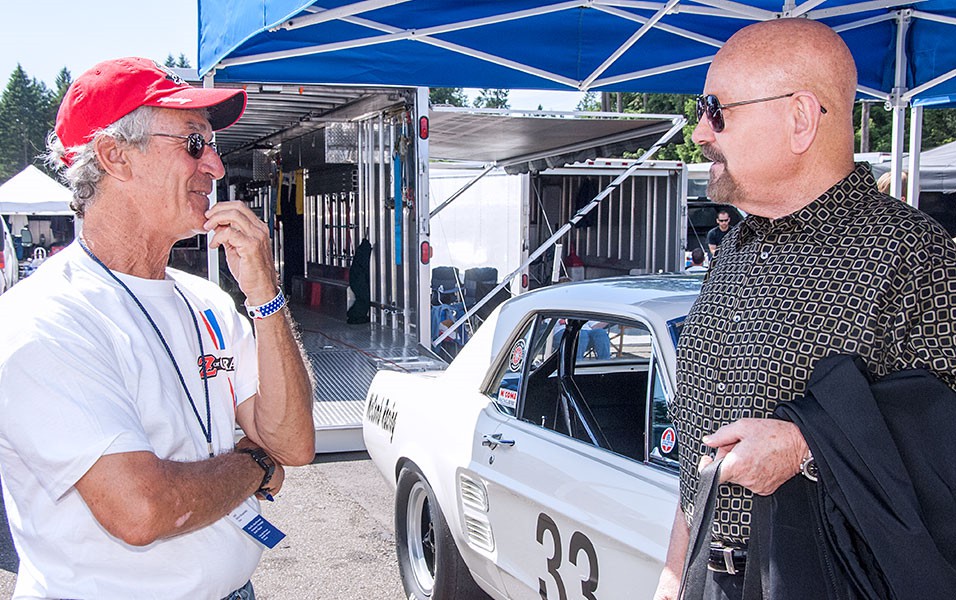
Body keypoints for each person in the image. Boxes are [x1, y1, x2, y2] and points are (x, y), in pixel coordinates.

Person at [653, 19, 956, 600]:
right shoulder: (735, 250)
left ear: (799, 118)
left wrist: (808, 447)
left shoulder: (913, 252)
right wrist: (674, 579)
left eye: (716, 110)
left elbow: (943, 431)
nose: (699, 132)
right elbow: (699, 446)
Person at [0, 58, 316, 599]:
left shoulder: (208, 300)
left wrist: (265, 294)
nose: (216, 166)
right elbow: (142, 508)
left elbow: (294, 441)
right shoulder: (45, 316)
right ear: (113, 156)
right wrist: (254, 463)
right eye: (194, 143)